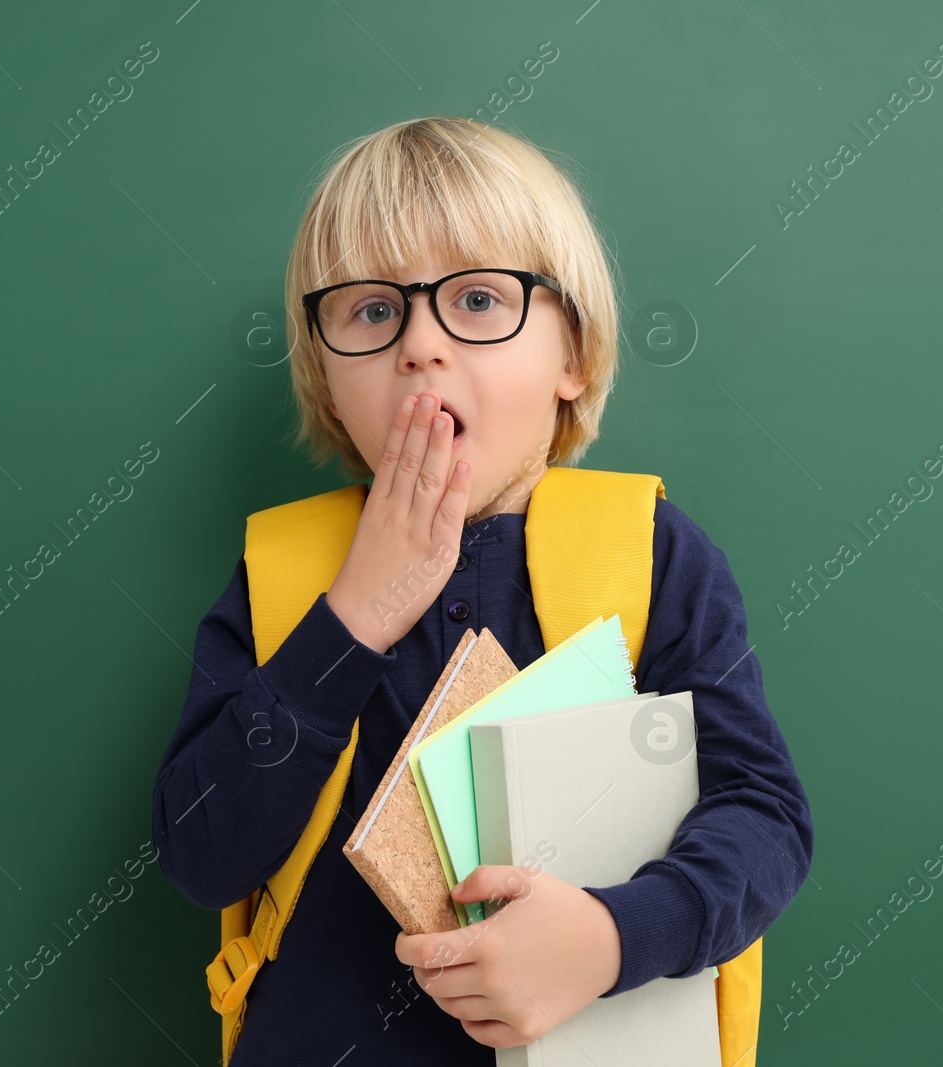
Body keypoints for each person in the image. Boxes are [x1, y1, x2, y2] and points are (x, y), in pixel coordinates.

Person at [150, 114, 813, 1064]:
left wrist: (612, 936)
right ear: (327, 378)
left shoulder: (650, 553)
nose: (420, 345)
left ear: (572, 357)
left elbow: (766, 815)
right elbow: (202, 852)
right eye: (373, 311)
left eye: (477, 299)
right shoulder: (285, 576)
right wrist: (356, 617)